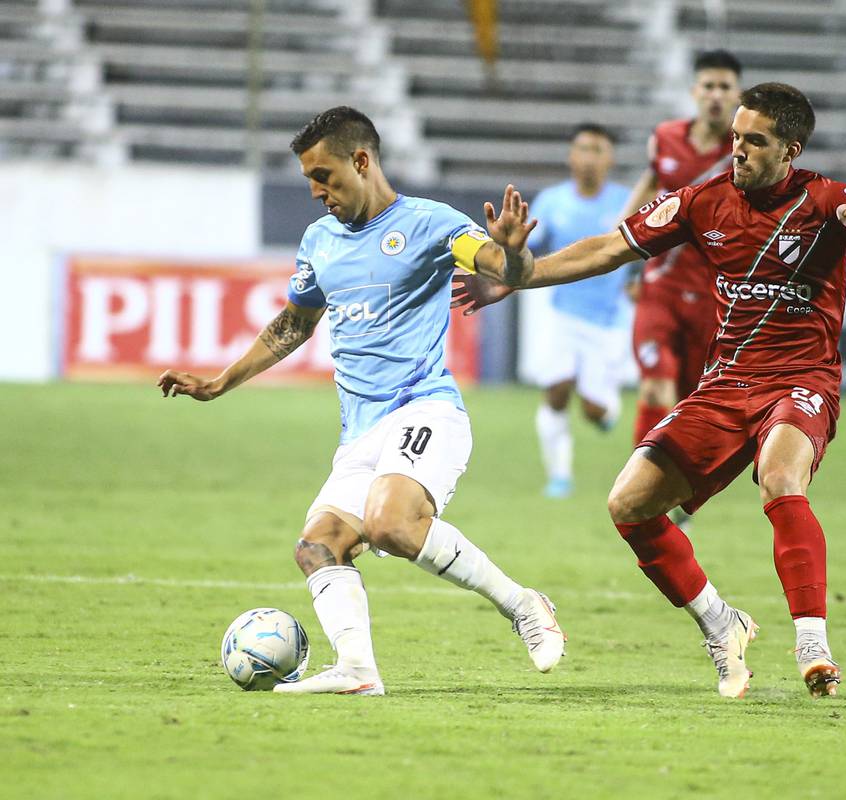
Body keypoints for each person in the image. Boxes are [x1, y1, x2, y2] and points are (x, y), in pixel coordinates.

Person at [468, 83, 846, 699]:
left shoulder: (827, 201)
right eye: (735, 137)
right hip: (725, 384)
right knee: (628, 505)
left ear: (791, 148)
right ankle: (719, 622)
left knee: (781, 477)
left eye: (754, 141)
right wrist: (522, 273)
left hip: (802, 380)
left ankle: (812, 642)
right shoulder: (702, 202)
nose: (738, 150)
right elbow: (607, 249)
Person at [157, 106, 565, 696]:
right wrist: (219, 382)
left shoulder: (430, 223)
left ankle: (524, 605)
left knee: (392, 525)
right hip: (360, 433)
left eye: (324, 176)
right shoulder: (319, 240)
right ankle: (356, 670)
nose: (317, 191)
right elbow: (295, 323)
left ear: (362, 160)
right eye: (309, 181)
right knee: (318, 545)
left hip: (425, 409)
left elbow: (506, 268)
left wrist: (513, 254)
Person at [470, 124, 631, 498]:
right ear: (571, 157)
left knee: (593, 409)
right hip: (563, 315)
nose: (588, 156)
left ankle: (604, 414)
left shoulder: (626, 202)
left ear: (610, 159)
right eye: (582, 148)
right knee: (556, 390)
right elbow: (523, 256)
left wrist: (639, 282)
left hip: (608, 322)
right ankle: (559, 477)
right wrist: (501, 281)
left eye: (597, 149)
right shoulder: (552, 202)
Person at [623, 50, 742, 529]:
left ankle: (673, 491)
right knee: (656, 381)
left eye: (724, 87)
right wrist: (625, 243)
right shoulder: (666, 138)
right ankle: (637, 487)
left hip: (714, 296)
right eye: (708, 86)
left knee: (693, 399)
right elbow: (651, 183)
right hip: (661, 287)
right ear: (695, 91)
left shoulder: (747, 151)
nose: (715, 95)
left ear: (738, 96)